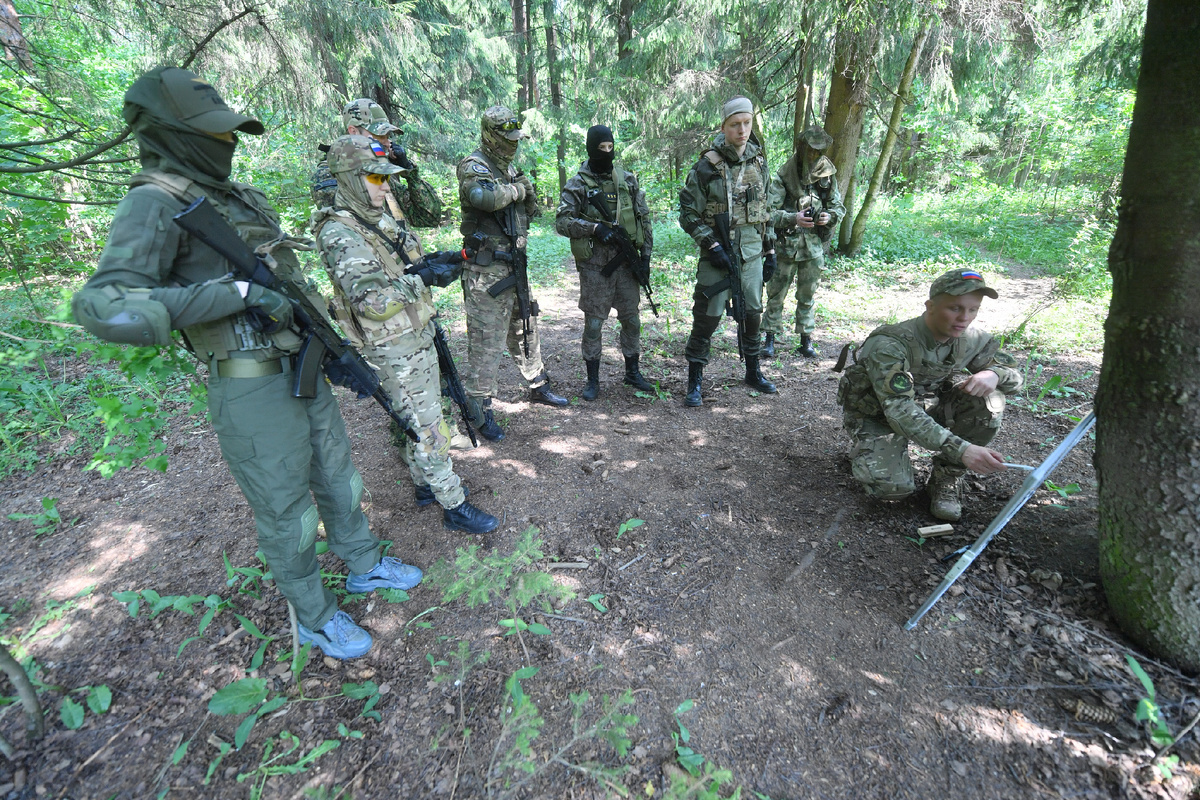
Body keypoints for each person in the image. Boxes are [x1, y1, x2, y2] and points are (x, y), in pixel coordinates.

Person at [71, 67, 421, 660]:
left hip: (301, 363)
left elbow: (284, 280)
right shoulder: (154, 202)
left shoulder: (231, 196)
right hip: (249, 383)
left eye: (229, 132)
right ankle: (313, 616)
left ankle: (363, 563)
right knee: (286, 510)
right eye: (214, 133)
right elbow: (104, 308)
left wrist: (326, 338)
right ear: (170, 133)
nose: (227, 143)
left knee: (338, 476)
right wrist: (235, 296)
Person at [312, 135, 499, 535]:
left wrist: (437, 262)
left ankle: (424, 486)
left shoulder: (376, 219)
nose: (385, 186)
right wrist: (423, 281)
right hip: (392, 347)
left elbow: (401, 269)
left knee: (417, 419)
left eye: (386, 178)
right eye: (375, 179)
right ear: (349, 178)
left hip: (415, 333)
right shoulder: (340, 233)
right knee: (428, 424)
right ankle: (454, 504)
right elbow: (372, 304)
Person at [835, 268, 1024, 521]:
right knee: (893, 490)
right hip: (877, 414)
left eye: (973, 309)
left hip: (929, 406)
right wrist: (961, 449)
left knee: (991, 398)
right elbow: (898, 409)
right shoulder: (890, 344)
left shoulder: (971, 339)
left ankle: (946, 478)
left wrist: (995, 375)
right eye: (955, 308)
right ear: (930, 306)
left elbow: (1017, 379)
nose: (964, 318)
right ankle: (866, 445)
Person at [455, 105, 568, 441]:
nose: (514, 144)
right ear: (491, 135)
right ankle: (478, 410)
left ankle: (537, 384)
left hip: (514, 264)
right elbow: (483, 198)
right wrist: (517, 190)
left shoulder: (510, 168)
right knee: (486, 341)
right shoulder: (474, 166)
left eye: (516, 138)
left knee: (525, 326)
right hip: (486, 271)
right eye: (508, 138)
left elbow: (530, 212)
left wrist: (528, 193)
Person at [678, 96, 778, 407]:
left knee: (752, 316)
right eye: (735, 124)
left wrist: (770, 249)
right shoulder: (706, 166)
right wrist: (711, 244)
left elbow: (765, 209)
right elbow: (688, 214)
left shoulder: (758, 161)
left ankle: (752, 371)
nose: (742, 130)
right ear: (724, 126)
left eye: (747, 123)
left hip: (750, 253)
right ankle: (695, 380)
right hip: (716, 255)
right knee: (706, 318)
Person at [554, 124, 656, 401]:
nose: (607, 153)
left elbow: (643, 219)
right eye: (602, 149)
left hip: (626, 265)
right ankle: (592, 380)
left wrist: (645, 257)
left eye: (611, 148)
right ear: (590, 148)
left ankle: (632, 372)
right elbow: (562, 222)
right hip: (595, 268)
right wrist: (594, 229)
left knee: (632, 320)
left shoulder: (627, 180)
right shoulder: (577, 184)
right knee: (595, 325)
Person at [763, 126, 845, 358]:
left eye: (817, 152)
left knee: (807, 295)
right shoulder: (784, 176)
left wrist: (829, 216)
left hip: (813, 247)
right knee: (776, 295)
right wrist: (793, 218)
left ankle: (805, 339)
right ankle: (770, 338)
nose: (813, 157)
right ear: (801, 149)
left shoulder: (827, 175)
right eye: (810, 151)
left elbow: (837, 206)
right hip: (785, 246)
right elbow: (768, 213)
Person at [311, 98, 443, 226]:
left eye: (387, 136)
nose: (387, 143)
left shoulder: (378, 173)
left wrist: (409, 171)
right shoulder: (330, 173)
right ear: (353, 131)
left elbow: (427, 218)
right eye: (379, 136)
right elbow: (348, 225)